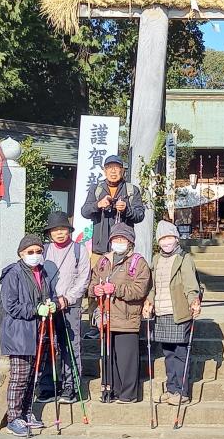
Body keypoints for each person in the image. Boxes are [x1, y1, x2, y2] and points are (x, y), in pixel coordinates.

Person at [0, 234, 55, 437]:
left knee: (34, 376)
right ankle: (14, 418)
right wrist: (35, 309)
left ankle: (27, 411)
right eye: (30, 252)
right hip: (20, 333)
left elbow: (47, 295)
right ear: (21, 254)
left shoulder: (43, 272)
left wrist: (51, 303)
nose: (34, 255)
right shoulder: (13, 274)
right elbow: (10, 305)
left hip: (39, 333)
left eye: (38, 251)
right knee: (19, 377)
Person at [88, 224, 151, 403]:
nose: (119, 242)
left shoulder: (138, 262)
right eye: (116, 239)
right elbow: (91, 283)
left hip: (126, 317)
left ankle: (128, 394)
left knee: (127, 359)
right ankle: (112, 391)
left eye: (122, 239)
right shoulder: (103, 261)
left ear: (130, 242)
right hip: (106, 316)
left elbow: (139, 290)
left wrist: (117, 289)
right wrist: (95, 290)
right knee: (109, 357)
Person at [143, 221, 202, 405]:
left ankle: (182, 392)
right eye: (163, 238)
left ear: (176, 239)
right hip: (161, 312)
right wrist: (149, 301)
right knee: (168, 353)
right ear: (158, 241)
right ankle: (171, 388)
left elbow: (191, 284)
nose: (166, 242)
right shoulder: (156, 259)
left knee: (180, 353)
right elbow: (153, 286)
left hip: (179, 311)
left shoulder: (184, 258)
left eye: (169, 237)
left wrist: (194, 300)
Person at [37, 211, 91, 404]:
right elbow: (38, 277)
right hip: (48, 306)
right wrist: (47, 300)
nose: (59, 233)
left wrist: (67, 299)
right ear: (49, 233)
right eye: (55, 230)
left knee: (70, 346)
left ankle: (71, 387)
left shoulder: (79, 250)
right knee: (47, 346)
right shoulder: (43, 251)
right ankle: (47, 386)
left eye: (63, 229)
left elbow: (84, 278)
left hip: (70, 306)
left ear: (69, 231)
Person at [81, 155, 145, 256]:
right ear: (104, 171)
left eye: (116, 167)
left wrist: (126, 210)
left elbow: (140, 215)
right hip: (99, 250)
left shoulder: (132, 190)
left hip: (123, 249)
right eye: (109, 167)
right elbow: (85, 212)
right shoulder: (96, 189)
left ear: (122, 170)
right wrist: (98, 205)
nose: (113, 171)